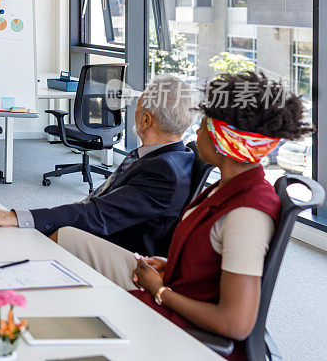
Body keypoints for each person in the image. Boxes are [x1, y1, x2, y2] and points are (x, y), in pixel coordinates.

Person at [58, 72, 312, 360]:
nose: (196, 133)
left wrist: (161, 291)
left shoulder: (246, 214)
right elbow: (210, 257)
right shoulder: (226, 187)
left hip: (180, 323)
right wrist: (171, 264)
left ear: (224, 140)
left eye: (204, 126)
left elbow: (235, 324)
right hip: (174, 288)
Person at [0, 74, 196, 256]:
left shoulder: (163, 171)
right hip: (105, 222)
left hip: (119, 247)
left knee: (31, 236)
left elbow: (98, 216)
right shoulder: (174, 156)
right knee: (26, 230)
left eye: (136, 108)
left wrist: (19, 216)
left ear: (147, 120)